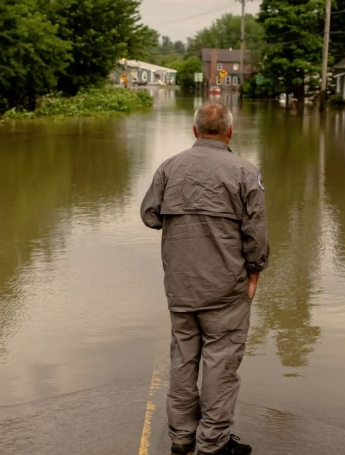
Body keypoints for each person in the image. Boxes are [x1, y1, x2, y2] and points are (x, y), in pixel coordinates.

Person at [140, 100, 269, 455]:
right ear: (230, 132)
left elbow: (150, 216)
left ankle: (181, 439)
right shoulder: (244, 171)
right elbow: (256, 234)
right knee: (221, 363)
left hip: (180, 285)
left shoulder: (169, 167)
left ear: (195, 131)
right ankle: (213, 443)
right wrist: (255, 272)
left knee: (183, 359)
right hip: (226, 288)